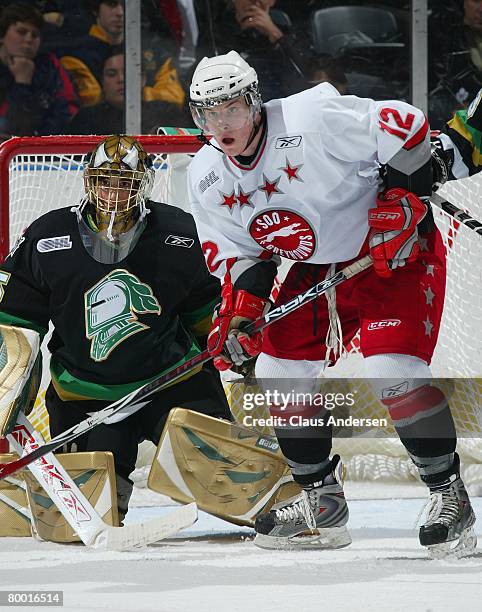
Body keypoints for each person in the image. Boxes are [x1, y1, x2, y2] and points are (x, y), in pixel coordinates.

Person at [186, 50, 477, 557]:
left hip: (391, 246)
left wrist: (405, 198)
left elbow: (407, 126)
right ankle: (322, 501)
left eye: (230, 108)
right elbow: (244, 257)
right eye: (207, 113)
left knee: (393, 368)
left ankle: (448, 496)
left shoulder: (311, 117)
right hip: (317, 262)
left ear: (254, 102)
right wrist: (242, 316)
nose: (220, 123)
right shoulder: (207, 174)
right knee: (278, 369)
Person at [0, 134, 230, 521]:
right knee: (78, 518)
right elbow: (16, 326)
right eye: (106, 181)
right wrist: (8, 398)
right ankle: (113, 484)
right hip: (86, 395)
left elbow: (205, 314)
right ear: (90, 181)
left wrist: (236, 344)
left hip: (172, 382)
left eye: (125, 182)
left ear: (143, 184)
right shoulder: (46, 237)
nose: (114, 192)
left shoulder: (179, 232)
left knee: (234, 484)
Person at [60, 0, 185, 109]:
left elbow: (175, 97)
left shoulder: (153, 50)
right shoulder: (76, 53)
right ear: (96, 9)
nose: (120, 12)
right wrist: (146, 94)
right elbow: (90, 101)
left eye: (125, 4)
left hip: (149, 125)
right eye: (111, 4)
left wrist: (137, 94)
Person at [196, 0, 309, 101]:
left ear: (272, 2)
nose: (255, 2)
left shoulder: (285, 32)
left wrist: (275, 35)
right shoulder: (214, 35)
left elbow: (307, 75)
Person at [68, 47, 192, 134]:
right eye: (112, 74)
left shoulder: (168, 114)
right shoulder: (85, 119)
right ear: (102, 82)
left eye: (128, 72)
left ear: (143, 79)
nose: (121, 79)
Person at [0, 2, 78, 138]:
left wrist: (39, 138)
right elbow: (11, 126)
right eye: (21, 32)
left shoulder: (49, 65)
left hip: (41, 150)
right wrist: (22, 82)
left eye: (35, 35)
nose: (29, 39)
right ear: (2, 36)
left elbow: (66, 110)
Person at [429, 0, 482, 128]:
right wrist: (452, 108)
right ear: (463, 2)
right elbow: (433, 86)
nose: (481, 9)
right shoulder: (442, 36)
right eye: (475, 1)